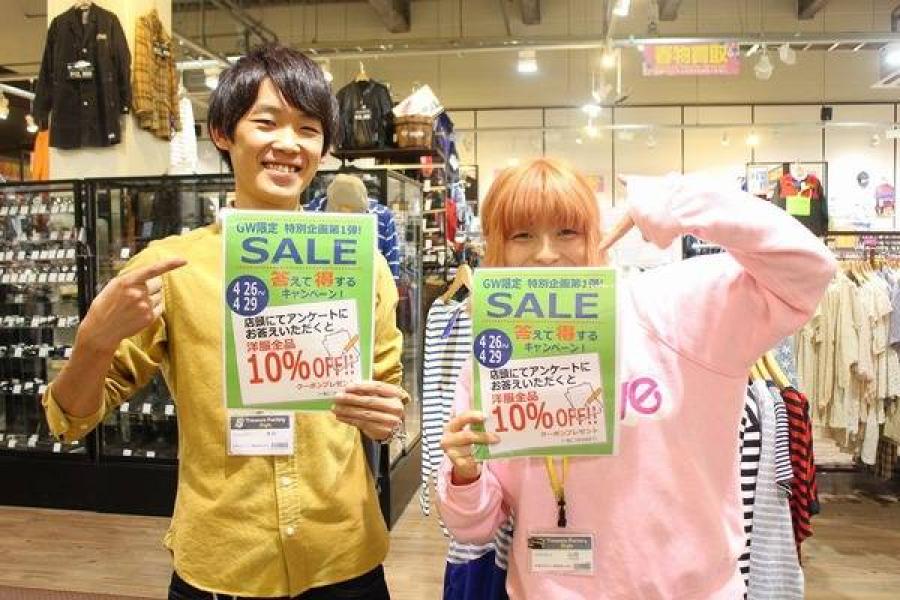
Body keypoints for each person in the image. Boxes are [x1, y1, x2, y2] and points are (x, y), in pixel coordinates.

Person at [42, 45, 407, 599]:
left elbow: (386, 397)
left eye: (308, 129)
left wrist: (386, 416)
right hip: (224, 563)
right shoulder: (171, 266)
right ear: (222, 133)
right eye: (267, 122)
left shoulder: (362, 265)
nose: (289, 144)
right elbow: (68, 420)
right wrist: (93, 341)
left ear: (324, 148)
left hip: (344, 556)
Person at [437, 158, 836, 599]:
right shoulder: (493, 357)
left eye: (567, 231)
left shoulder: (672, 306)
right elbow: (474, 528)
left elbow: (809, 269)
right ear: (498, 246)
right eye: (521, 235)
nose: (546, 253)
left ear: (595, 235)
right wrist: (465, 476)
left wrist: (678, 201)